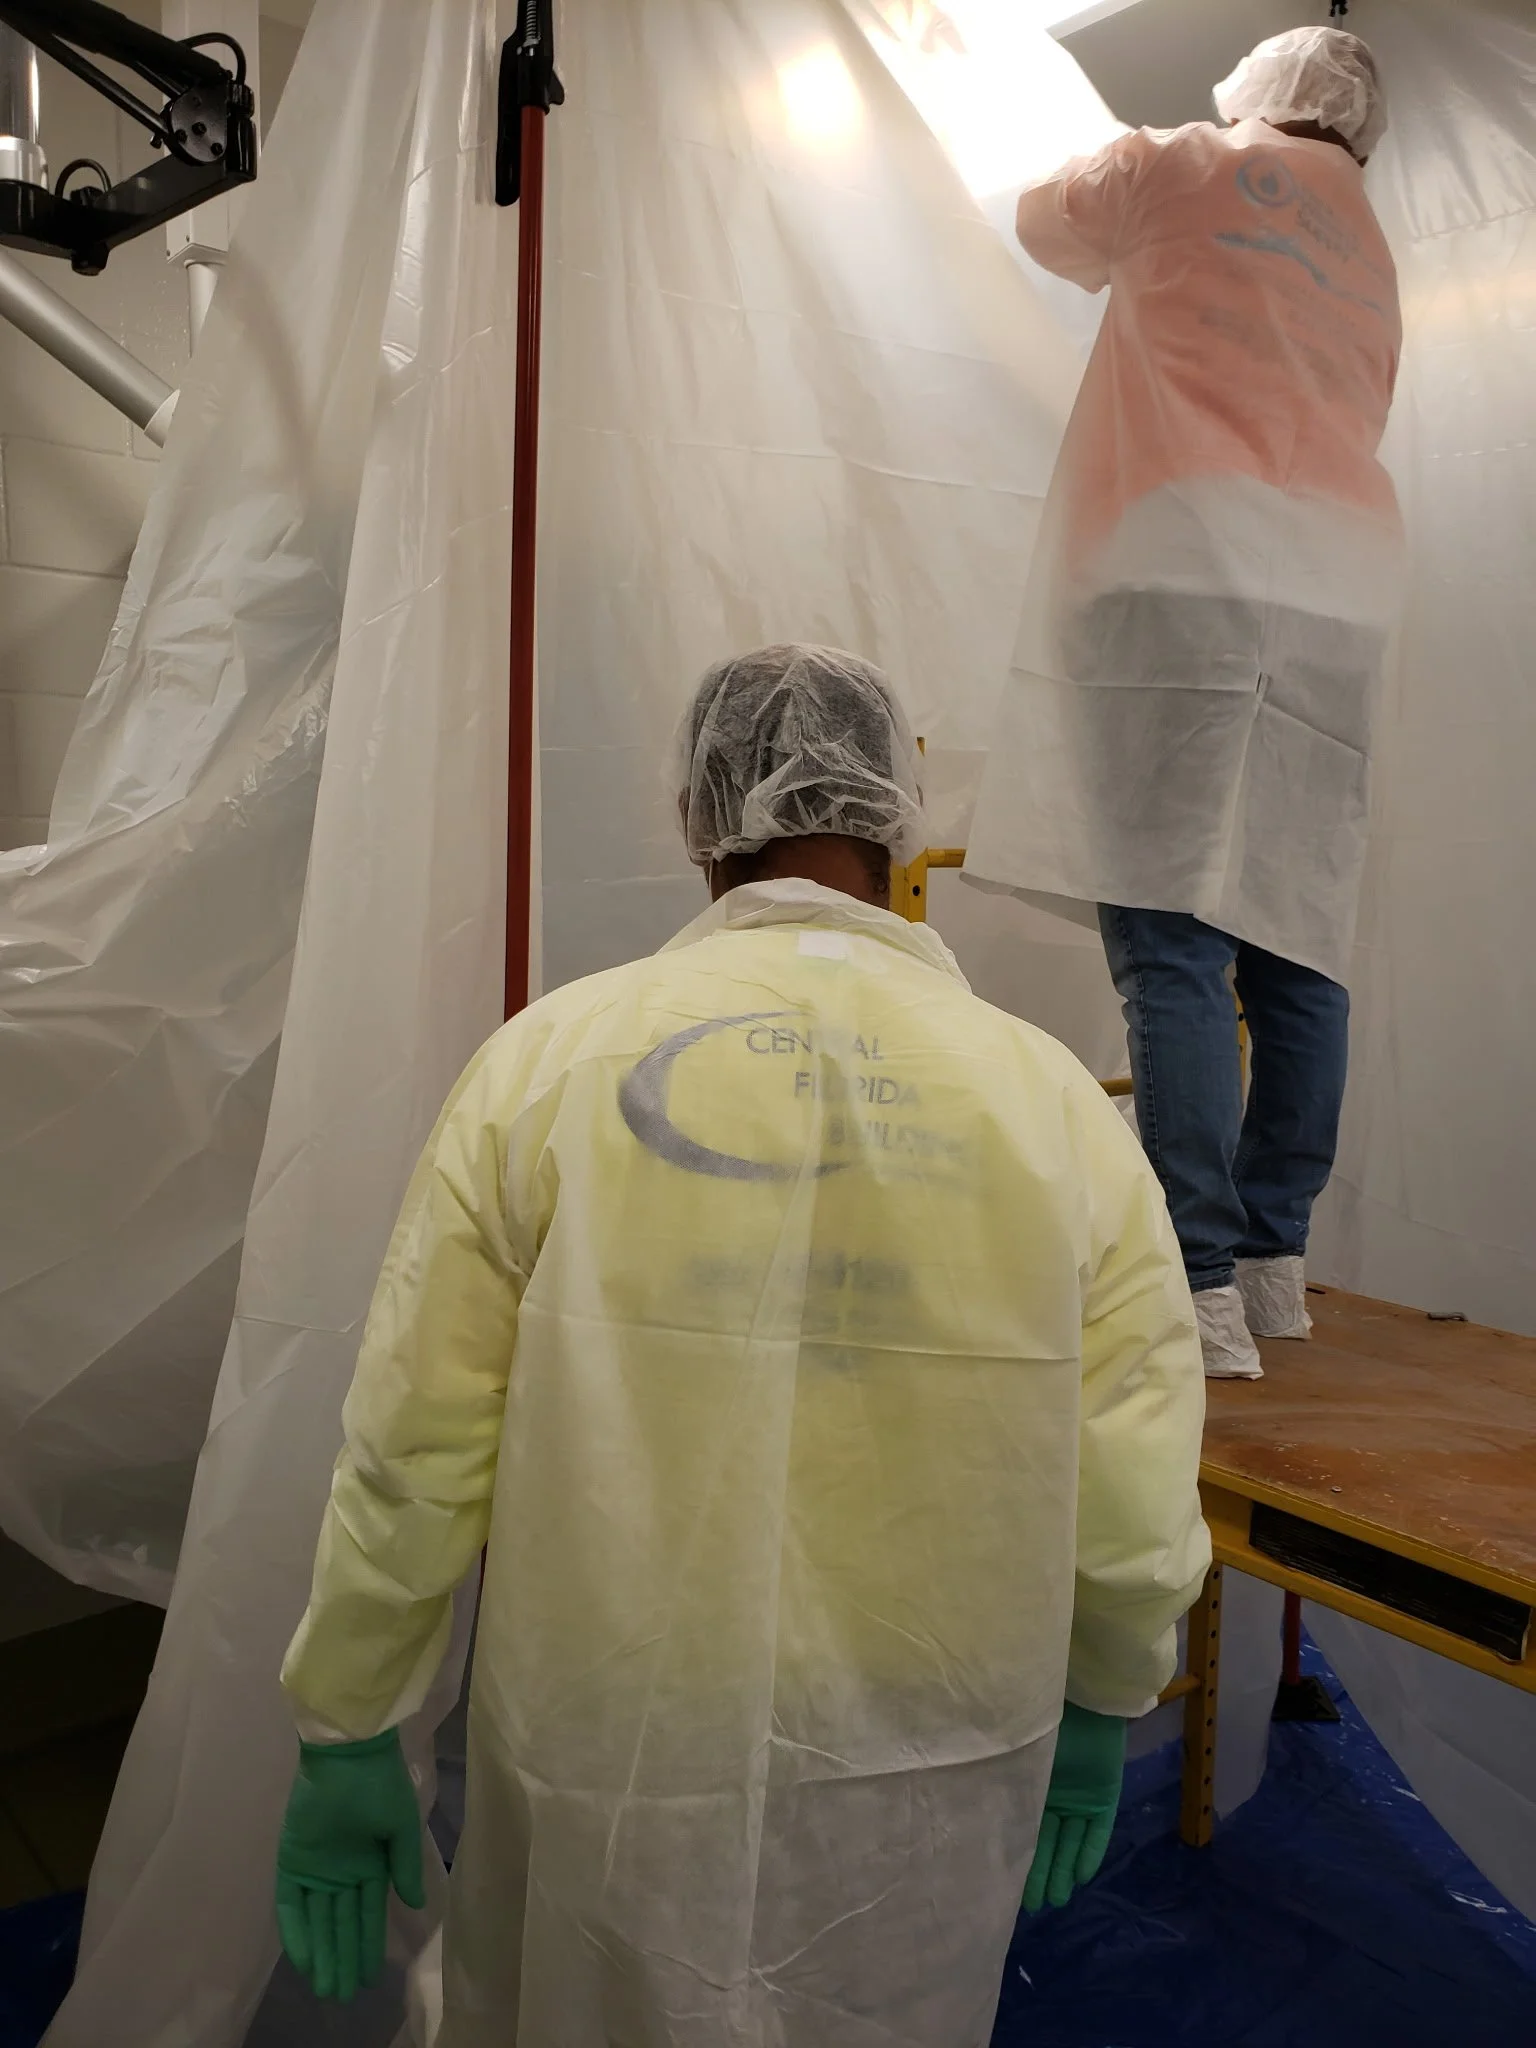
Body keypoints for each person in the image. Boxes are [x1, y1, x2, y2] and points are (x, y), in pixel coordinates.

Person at [273, 644, 1210, 2044]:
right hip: (933, 1734)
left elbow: (414, 1442)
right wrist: (1107, 1694)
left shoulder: (553, 1061)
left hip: (625, 1723)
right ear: (896, 815)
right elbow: (1137, 1453)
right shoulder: (1050, 1100)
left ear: (697, 818)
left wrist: (350, 1719)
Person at [965, 27, 1403, 1379]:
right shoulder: (1374, 256)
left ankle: (1197, 1281)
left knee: (1170, 932)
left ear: (1257, 94)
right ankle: (1275, 1264)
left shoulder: (1176, 163)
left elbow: (1044, 224)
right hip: (1339, 588)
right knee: (1295, 927)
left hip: (1174, 563)